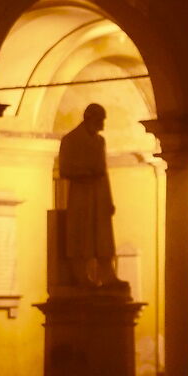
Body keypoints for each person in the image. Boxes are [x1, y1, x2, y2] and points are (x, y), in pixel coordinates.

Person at [56, 102, 121, 287]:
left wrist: (108, 200)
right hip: (81, 194)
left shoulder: (100, 141)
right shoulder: (70, 140)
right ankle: (80, 274)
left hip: (99, 194)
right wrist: (86, 172)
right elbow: (65, 169)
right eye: (100, 120)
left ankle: (107, 274)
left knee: (102, 237)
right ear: (89, 118)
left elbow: (104, 171)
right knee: (81, 235)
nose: (103, 124)